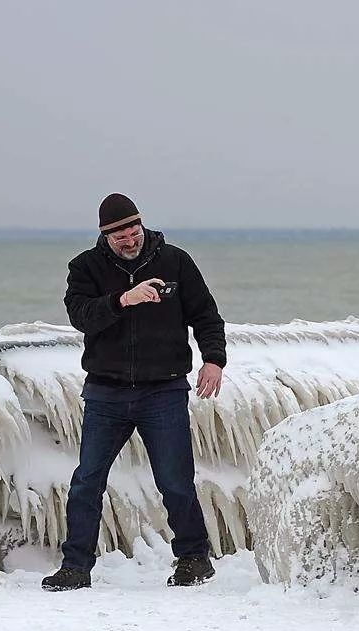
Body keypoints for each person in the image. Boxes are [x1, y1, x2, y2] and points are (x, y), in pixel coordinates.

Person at [41, 193, 226, 591]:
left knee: (175, 480)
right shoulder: (85, 267)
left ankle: (194, 559)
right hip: (105, 392)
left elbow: (206, 315)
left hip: (164, 390)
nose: (129, 240)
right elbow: (81, 317)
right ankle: (75, 567)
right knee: (87, 481)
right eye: (120, 236)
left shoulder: (175, 261)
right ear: (105, 236)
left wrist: (214, 360)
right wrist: (123, 300)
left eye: (133, 231)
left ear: (141, 225)